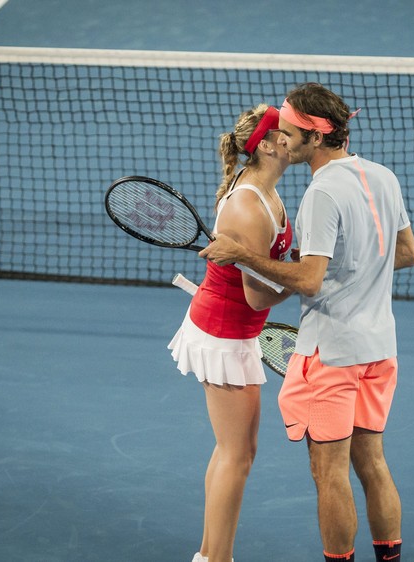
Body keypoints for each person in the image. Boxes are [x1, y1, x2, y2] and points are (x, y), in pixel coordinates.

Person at [199, 83, 414, 562]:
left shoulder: (320, 194)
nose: (282, 136)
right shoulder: (383, 176)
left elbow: (311, 280)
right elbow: (405, 253)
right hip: (381, 350)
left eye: (291, 130)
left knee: (330, 473)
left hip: (333, 354)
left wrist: (239, 254)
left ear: (315, 138)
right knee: (374, 465)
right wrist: (350, 269)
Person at [168, 103, 293, 562]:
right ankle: (214, 559)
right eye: (286, 130)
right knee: (237, 455)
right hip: (223, 335)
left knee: (235, 450)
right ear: (267, 144)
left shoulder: (267, 193)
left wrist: (296, 273)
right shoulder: (247, 208)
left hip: (233, 329)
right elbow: (260, 296)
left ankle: (209, 554)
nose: (295, 134)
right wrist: (309, 283)